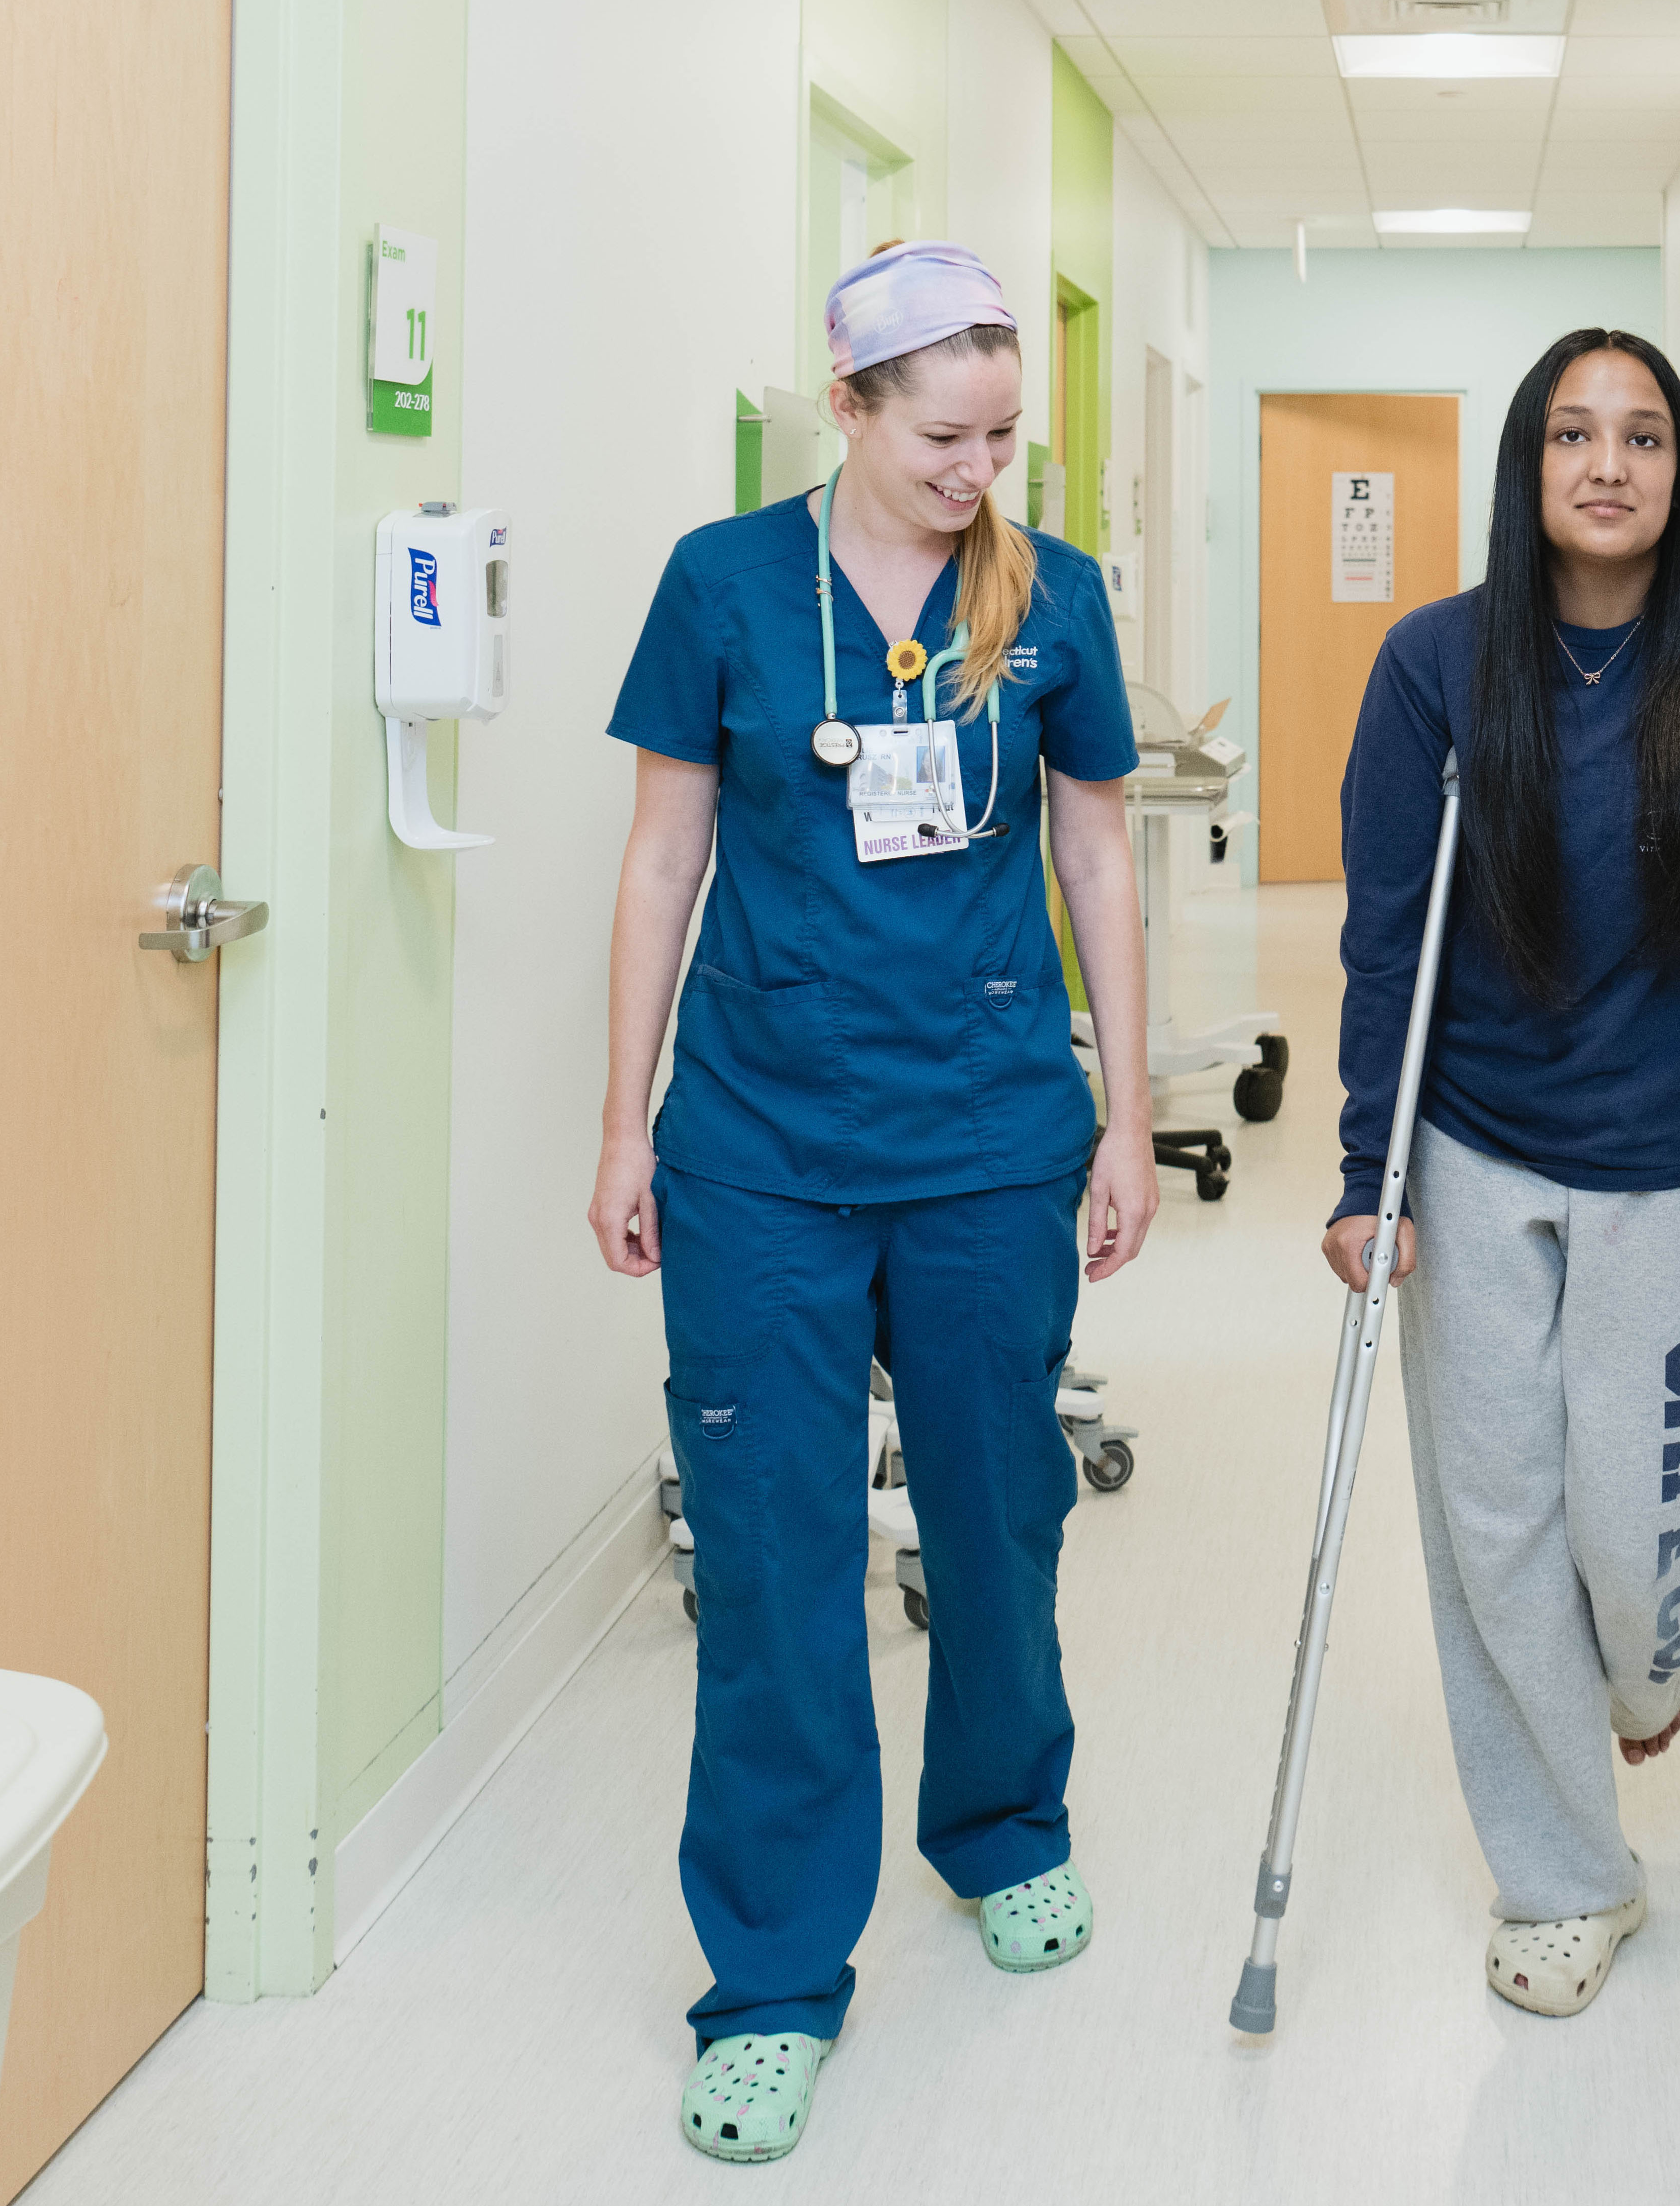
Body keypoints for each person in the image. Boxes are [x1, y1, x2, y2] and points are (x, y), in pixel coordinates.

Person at [591, 240, 1159, 2163]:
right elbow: (663, 858)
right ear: (843, 407)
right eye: (942, 430)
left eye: (1004, 433)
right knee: (771, 1545)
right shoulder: (722, 584)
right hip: (756, 1140)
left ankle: (1001, 1826)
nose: (976, 465)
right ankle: (766, 1978)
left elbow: (1095, 848)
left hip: (994, 1127)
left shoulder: (1051, 595)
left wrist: (1123, 1114)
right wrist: (619, 1120)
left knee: (998, 1514)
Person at [1325, 326, 1680, 2021]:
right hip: (1471, 1144)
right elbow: (1384, 936)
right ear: (1527, 468)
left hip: (1676, 1157)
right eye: (1570, 434)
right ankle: (1563, 1878)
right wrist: (1367, 1170)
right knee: (1493, 1518)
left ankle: (1641, 1673)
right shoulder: (1434, 667)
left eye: (1639, 436)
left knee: (1641, 1528)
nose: (1605, 465)